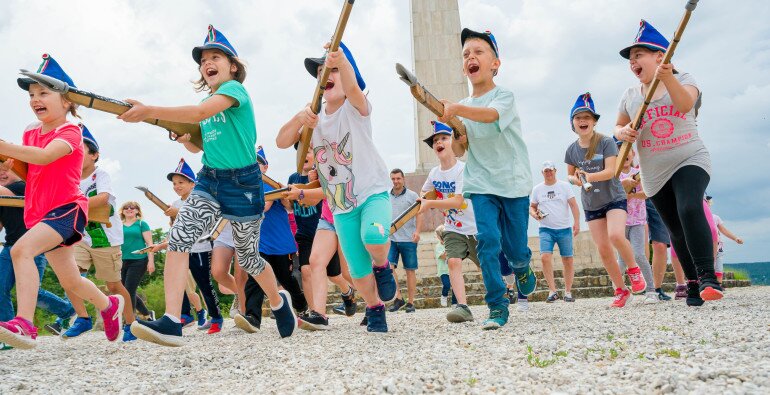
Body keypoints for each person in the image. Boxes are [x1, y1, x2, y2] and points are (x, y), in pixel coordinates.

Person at [120, 26, 298, 345]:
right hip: (210, 178)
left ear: (232, 66)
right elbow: (202, 143)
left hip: (243, 182)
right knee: (179, 238)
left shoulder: (235, 92)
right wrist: (186, 137)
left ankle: (278, 300)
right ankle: (173, 320)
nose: (207, 63)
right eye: (203, 60)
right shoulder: (207, 101)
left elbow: (201, 112)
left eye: (215, 57)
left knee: (248, 258)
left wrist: (149, 110)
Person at [0, 54, 123, 349]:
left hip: (66, 209)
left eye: (44, 92)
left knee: (21, 250)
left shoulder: (70, 131)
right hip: (38, 213)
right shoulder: (30, 131)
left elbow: (44, 156)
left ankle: (24, 324)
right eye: (31, 94)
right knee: (71, 283)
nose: (35, 99)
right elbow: (29, 170)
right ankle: (108, 306)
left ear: (67, 101)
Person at [277, 41, 397, 332]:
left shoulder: (356, 108)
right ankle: (375, 307)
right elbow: (281, 141)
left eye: (332, 70)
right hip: (341, 205)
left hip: (372, 192)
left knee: (374, 238)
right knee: (355, 269)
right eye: (320, 72)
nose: (325, 75)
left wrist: (341, 60)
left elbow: (354, 88)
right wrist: (299, 118)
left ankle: (382, 265)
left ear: (348, 74)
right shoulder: (313, 117)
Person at [615, 20, 722, 305]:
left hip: (689, 157)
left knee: (689, 208)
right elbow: (618, 127)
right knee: (675, 228)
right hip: (653, 171)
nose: (633, 62)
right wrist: (623, 132)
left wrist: (668, 77)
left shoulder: (685, 78)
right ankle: (693, 282)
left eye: (639, 55)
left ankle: (708, 276)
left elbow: (685, 104)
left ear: (660, 56)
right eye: (631, 58)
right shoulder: (630, 95)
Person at [437, 28, 537, 330]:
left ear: (495, 63)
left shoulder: (503, 96)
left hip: (514, 181)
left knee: (516, 249)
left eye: (478, 51)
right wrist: (455, 133)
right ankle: (497, 305)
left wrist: (456, 110)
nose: (471, 57)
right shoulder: (463, 107)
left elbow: (491, 116)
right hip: (480, 183)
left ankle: (522, 266)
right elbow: (462, 148)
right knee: (488, 242)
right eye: (466, 54)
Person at [565, 92, 647, 308]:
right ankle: (621, 289)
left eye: (587, 117)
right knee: (603, 248)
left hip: (614, 197)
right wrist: (576, 180)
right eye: (578, 118)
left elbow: (611, 171)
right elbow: (570, 175)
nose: (583, 121)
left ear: (594, 121)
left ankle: (634, 270)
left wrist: (588, 176)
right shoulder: (571, 150)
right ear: (572, 123)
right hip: (592, 204)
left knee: (616, 235)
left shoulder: (606, 142)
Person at [66, 123, 137, 341]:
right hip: (80, 237)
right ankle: (83, 318)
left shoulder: (100, 175)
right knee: (69, 277)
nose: (75, 154)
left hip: (106, 239)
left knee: (114, 285)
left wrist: (73, 202)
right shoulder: (69, 177)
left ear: (95, 155)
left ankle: (131, 324)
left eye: (81, 150)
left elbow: (103, 198)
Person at [0, 167, 76, 339]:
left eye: (6, 170)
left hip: (32, 248)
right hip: (10, 246)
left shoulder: (22, 186)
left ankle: (67, 310)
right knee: (0, 288)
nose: (2, 174)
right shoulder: (3, 196)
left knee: (32, 290)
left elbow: (7, 192)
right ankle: (7, 333)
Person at [418, 121, 478, 323]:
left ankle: (504, 291)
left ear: (453, 143)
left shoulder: (463, 169)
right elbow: (424, 193)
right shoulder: (434, 173)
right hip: (453, 227)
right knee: (453, 262)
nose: (439, 142)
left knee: (487, 268)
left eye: (444, 138)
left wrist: (431, 203)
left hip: (475, 227)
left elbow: (458, 201)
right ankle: (463, 306)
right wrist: (425, 199)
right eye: (435, 140)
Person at [529, 160, 580, 303]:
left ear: (555, 171)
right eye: (546, 171)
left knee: (568, 259)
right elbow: (532, 207)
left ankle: (568, 292)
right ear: (542, 173)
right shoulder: (537, 189)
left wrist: (576, 223)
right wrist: (535, 214)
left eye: (551, 170)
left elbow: (574, 206)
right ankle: (552, 291)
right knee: (545, 257)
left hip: (564, 228)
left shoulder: (564, 186)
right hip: (546, 228)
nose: (549, 173)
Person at [616, 145, 657, 304]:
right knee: (622, 261)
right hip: (620, 222)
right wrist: (627, 192)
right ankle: (621, 291)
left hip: (638, 221)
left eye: (628, 151)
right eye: (620, 152)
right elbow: (615, 197)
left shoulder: (639, 173)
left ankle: (651, 290)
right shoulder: (615, 176)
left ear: (633, 154)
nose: (625, 155)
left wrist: (631, 193)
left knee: (639, 254)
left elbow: (647, 193)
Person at [388, 168, 421, 313]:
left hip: (408, 238)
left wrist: (418, 231)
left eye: (398, 178)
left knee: (410, 270)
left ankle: (410, 302)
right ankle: (398, 297)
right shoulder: (386, 196)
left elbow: (419, 213)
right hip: (391, 238)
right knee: (389, 268)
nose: (396, 181)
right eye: (393, 179)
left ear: (403, 179)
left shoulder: (412, 195)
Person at [119, 201, 155, 322]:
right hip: (122, 261)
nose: (129, 209)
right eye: (126, 207)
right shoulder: (118, 225)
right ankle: (148, 314)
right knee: (126, 290)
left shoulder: (141, 224)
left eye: (132, 208)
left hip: (139, 261)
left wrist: (151, 262)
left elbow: (150, 244)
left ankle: (130, 321)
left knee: (129, 290)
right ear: (122, 211)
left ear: (137, 211)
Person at [707, 197, 743, 284]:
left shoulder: (715, 218)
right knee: (707, 267)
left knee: (719, 268)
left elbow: (724, 230)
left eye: (707, 203)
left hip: (718, 247)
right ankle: (707, 285)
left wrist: (735, 238)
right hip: (705, 247)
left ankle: (718, 286)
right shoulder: (698, 218)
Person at [433, 226, 456, 307]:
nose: (437, 237)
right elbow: (443, 256)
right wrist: (448, 247)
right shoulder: (438, 246)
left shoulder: (451, 244)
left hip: (453, 269)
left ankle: (454, 302)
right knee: (447, 285)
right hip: (443, 270)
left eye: (438, 235)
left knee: (455, 286)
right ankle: (444, 296)